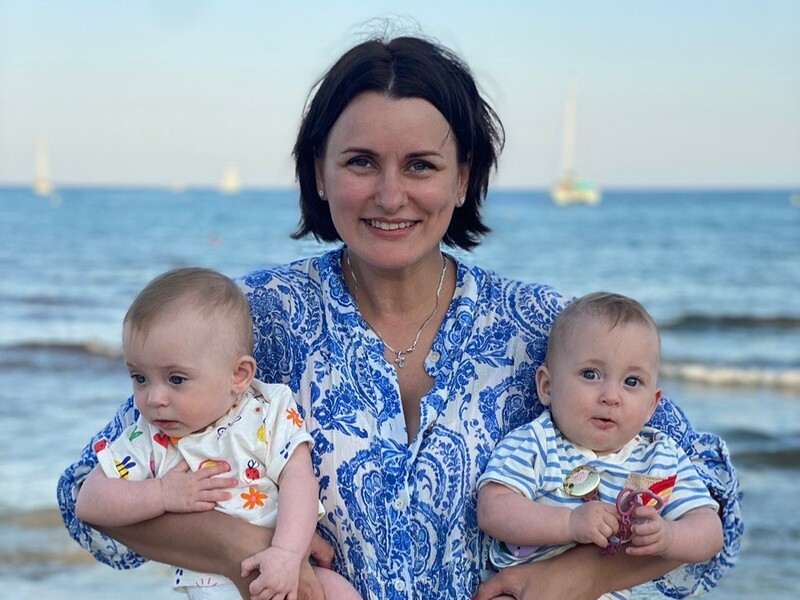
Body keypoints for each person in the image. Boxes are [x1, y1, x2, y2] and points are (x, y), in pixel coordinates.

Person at [57, 34, 742, 600]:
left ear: (463, 177)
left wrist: (571, 579)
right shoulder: (249, 319)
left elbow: (710, 499)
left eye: (420, 165)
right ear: (319, 172)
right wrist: (250, 549)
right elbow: (86, 494)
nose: (390, 196)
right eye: (361, 162)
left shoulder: (545, 327)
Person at [73, 267, 358, 600]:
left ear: (238, 374)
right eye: (139, 378)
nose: (154, 398)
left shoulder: (267, 410)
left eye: (176, 379)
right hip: (214, 584)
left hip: (287, 565)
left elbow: (299, 479)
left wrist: (286, 552)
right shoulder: (150, 437)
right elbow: (87, 502)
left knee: (338, 591)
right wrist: (161, 494)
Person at [477, 292, 723, 599]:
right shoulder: (537, 442)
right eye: (590, 374)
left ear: (652, 404)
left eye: (632, 381)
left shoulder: (660, 457)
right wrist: (569, 522)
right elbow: (492, 508)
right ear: (547, 386)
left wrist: (671, 536)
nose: (611, 396)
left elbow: (709, 529)